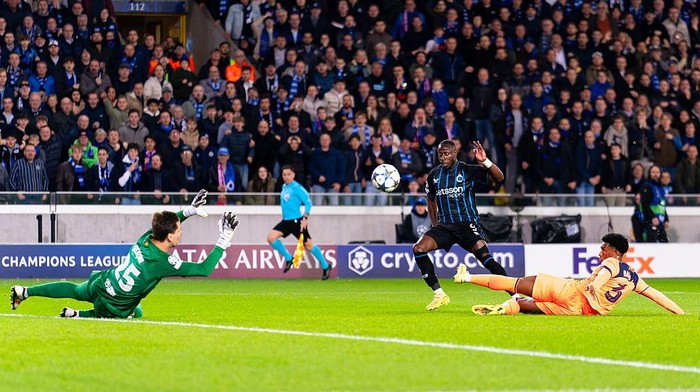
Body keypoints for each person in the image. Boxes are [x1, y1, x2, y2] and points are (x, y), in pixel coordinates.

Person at [10, 190, 241, 318]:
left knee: (75, 289)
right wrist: (224, 238)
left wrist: (189, 210)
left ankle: (25, 292)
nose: (181, 232)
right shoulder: (165, 262)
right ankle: (80, 315)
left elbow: (166, 221)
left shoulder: (146, 237)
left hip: (103, 281)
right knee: (136, 312)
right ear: (169, 236)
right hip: (113, 305)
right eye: (179, 229)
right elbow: (204, 268)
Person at [454, 233, 684, 316]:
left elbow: (604, 273)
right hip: (577, 311)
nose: (600, 251)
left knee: (516, 283)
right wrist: (679, 311)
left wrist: (595, 286)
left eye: (604, 248)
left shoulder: (612, 262)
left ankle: (468, 277)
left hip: (570, 291)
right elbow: (656, 295)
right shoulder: (634, 278)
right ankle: (504, 309)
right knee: (524, 305)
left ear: (615, 252)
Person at [413, 140, 506, 311]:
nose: (442, 157)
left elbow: (499, 178)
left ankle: (515, 294)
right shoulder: (434, 175)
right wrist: (435, 225)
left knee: (486, 259)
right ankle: (439, 294)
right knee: (418, 249)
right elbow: (430, 200)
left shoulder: (467, 170)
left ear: (455, 153)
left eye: (446, 153)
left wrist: (485, 162)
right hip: (445, 226)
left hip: (466, 224)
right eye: (440, 154)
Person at [266, 165, 332, 280]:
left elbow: (308, 203)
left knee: (309, 245)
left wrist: (305, 218)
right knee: (271, 238)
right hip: (286, 221)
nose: (286, 177)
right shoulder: (283, 187)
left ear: (293, 175)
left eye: (288, 174)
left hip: (297, 221)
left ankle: (326, 266)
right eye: (284, 175)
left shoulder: (297, 188)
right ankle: (288, 258)